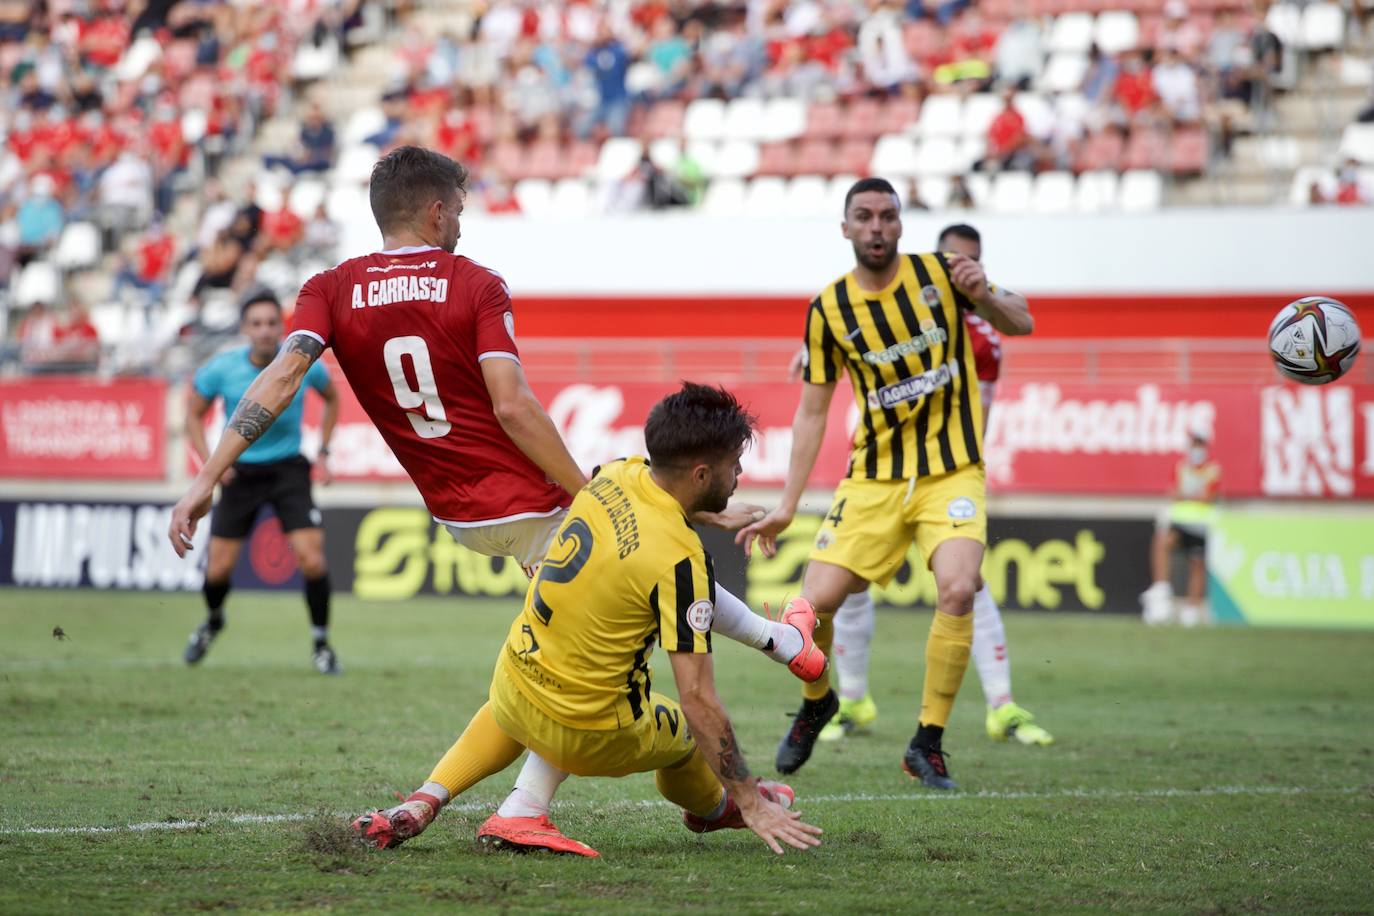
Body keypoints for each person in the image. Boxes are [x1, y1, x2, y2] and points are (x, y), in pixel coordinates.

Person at [168, 145, 823, 854]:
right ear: (437, 209)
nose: (462, 227)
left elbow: (279, 379)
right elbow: (512, 408)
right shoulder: (473, 283)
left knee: (570, 632)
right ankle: (526, 806)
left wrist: (205, 479)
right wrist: (593, 498)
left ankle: (787, 643)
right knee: (603, 643)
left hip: (458, 512)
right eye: (460, 212)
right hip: (524, 496)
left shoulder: (329, 287)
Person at [353, 384, 825, 856]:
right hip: (589, 730)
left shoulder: (616, 473)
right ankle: (720, 808)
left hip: (517, 681)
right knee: (684, 733)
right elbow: (700, 699)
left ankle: (424, 799)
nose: (740, 473)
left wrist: (701, 515)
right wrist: (749, 799)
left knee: (528, 695)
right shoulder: (679, 561)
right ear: (701, 474)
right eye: (733, 465)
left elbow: (649, 534)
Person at [738, 178, 1033, 790]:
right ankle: (819, 701)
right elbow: (813, 411)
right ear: (845, 228)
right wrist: (788, 505)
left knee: (957, 587)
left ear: (901, 225)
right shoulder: (829, 310)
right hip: (871, 480)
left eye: (888, 216)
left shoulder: (945, 274)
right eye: (864, 217)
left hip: (951, 471)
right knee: (812, 605)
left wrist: (989, 296)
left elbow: (1022, 320)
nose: (877, 227)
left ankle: (927, 743)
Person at [791, 223, 1054, 748]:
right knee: (846, 587)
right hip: (878, 472)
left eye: (971, 261)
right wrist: (817, 354)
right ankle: (854, 700)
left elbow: (982, 392)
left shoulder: (981, 337)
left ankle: (1000, 706)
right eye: (951, 259)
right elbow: (841, 347)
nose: (960, 267)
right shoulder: (885, 306)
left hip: (945, 472)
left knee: (965, 583)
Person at [182, 289, 342, 673]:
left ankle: (321, 643)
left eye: (272, 323)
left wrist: (323, 452)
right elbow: (192, 416)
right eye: (257, 323)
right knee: (217, 571)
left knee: (313, 560)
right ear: (245, 329)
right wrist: (214, 465)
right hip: (241, 473)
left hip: (289, 470)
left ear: (282, 327)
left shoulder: (303, 365)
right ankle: (214, 619)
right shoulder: (221, 368)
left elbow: (333, 398)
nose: (266, 331)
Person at [1141, 428, 1221, 628]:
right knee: (1162, 541)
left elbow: (1208, 497)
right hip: (1180, 521)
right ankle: (1161, 589)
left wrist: (1188, 495)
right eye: (1193, 444)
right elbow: (1174, 492)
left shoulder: (1213, 469)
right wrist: (1192, 495)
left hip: (1200, 525)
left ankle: (1192, 609)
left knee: (1197, 563)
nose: (1196, 449)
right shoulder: (1181, 467)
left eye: (1199, 445)